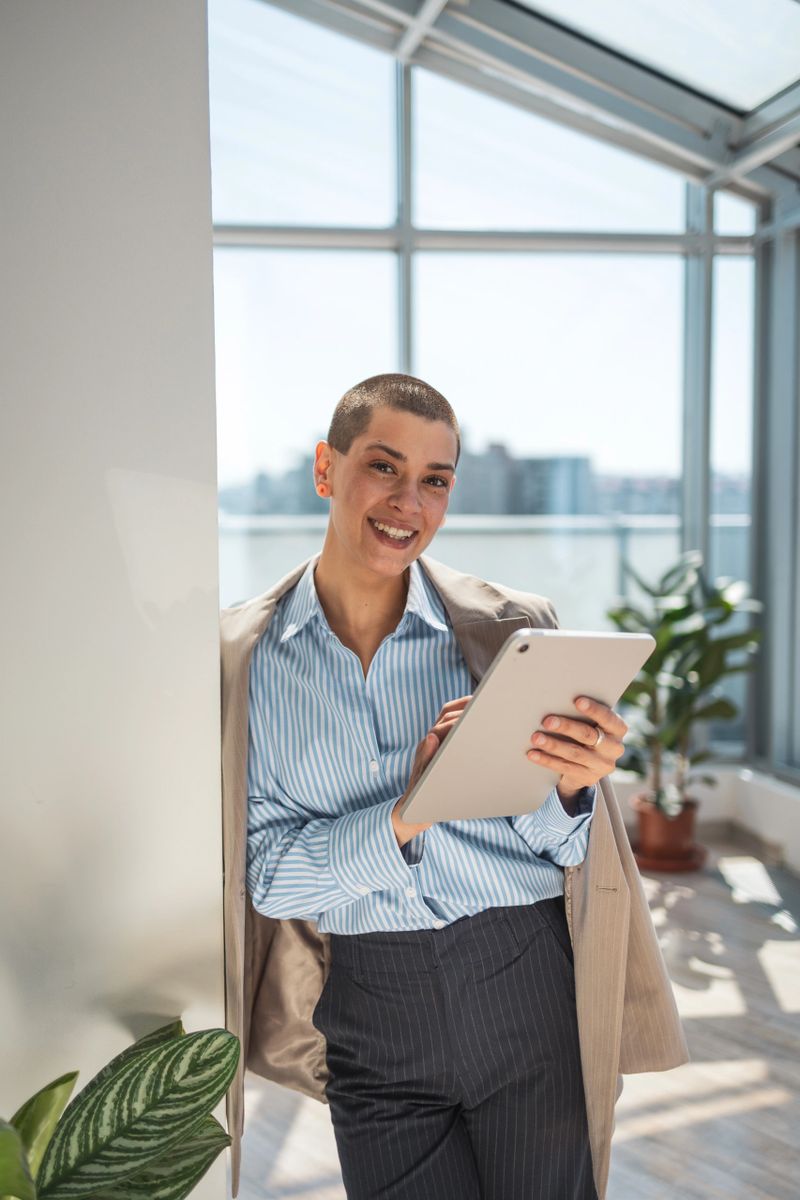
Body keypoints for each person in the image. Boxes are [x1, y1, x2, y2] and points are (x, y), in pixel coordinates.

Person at [219, 374, 689, 1200]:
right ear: (326, 469)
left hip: (527, 987)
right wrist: (404, 817)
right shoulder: (243, 661)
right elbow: (267, 876)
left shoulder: (513, 630)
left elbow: (561, 845)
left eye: (434, 480)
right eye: (384, 467)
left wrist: (575, 793)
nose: (409, 502)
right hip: (371, 1007)